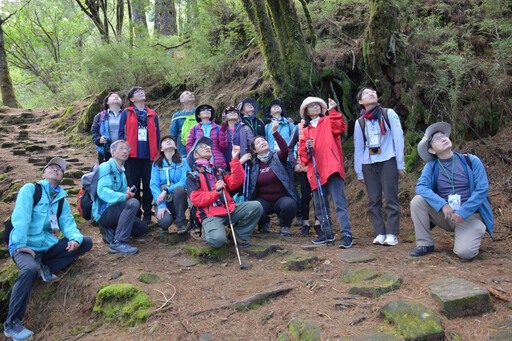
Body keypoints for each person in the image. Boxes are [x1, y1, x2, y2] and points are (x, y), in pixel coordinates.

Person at [4, 157, 92, 341]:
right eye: (51, 167)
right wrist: (21, 244)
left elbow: (67, 224)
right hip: (24, 244)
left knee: (86, 242)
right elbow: (20, 217)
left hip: (46, 246)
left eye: (59, 169)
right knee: (29, 269)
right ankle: (12, 323)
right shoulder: (31, 190)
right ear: (43, 173)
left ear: (62, 176)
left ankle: (47, 267)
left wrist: (75, 239)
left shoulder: (60, 199)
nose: (55, 169)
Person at [409, 122, 494, 261]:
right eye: (437, 139)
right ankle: (425, 244)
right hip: (446, 215)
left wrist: (464, 211)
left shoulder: (471, 160)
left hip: (470, 215)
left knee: (465, 253)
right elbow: (421, 187)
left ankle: (473, 231)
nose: (443, 138)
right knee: (418, 201)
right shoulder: (432, 166)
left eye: (444, 136)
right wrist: (442, 204)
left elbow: (482, 189)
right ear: (431, 150)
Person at [186, 136, 263, 248]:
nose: (207, 147)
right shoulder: (193, 175)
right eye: (202, 147)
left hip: (228, 209)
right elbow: (196, 199)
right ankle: (207, 231)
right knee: (218, 241)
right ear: (195, 154)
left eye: (208, 146)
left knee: (256, 206)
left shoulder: (218, 171)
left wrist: (235, 159)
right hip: (209, 214)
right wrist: (216, 192)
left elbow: (235, 182)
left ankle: (237, 235)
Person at [298, 97, 353, 248]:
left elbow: (339, 128)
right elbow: (303, 158)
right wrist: (307, 149)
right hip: (315, 171)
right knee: (320, 205)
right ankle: (327, 234)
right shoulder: (306, 131)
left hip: (332, 167)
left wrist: (333, 110)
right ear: (306, 112)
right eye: (311, 106)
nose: (315, 108)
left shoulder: (328, 120)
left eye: (317, 105)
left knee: (339, 203)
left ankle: (346, 235)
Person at [354, 87, 405, 246]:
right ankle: (379, 233)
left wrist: (400, 163)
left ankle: (392, 233)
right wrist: (359, 172)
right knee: (374, 199)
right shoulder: (360, 122)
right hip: (368, 163)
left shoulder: (388, 114)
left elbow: (398, 138)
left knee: (391, 197)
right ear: (361, 102)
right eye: (366, 93)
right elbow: (359, 147)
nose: (372, 94)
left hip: (388, 158)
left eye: (374, 92)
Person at [93, 140, 149, 255]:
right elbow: (102, 191)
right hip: (104, 212)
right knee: (133, 203)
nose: (125, 151)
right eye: (121, 149)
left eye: (127, 149)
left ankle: (110, 231)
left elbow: (123, 195)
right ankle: (118, 242)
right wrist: (124, 196)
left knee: (142, 228)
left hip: (116, 210)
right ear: (112, 153)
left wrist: (126, 193)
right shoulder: (105, 167)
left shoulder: (121, 171)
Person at [247, 120, 298, 236]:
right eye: (258, 143)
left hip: (281, 198)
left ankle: (285, 226)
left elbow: (285, 149)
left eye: (263, 141)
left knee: (290, 204)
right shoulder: (253, 164)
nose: (262, 143)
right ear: (254, 150)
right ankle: (264, 223)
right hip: (263, 200)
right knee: (254, 207)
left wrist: (275, 132)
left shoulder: (277, 157)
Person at [118, 86, 160, 223]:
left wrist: (157, 153)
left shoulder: (152, 115)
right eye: (137, 92)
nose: (141, 92)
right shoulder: (126, 113)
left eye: (142, 91)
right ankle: (136, 214)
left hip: (149, 156)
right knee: (134, 184)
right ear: (131, 99)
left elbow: (158, 135)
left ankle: (148, 213)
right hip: (132, 156)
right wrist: (122, 151)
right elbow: (120, 134)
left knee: (148, 184)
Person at [150, 135, 190, 235]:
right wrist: (161, 205)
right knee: (164, 222)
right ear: (161, 149)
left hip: (178, 199)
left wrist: (167, 190)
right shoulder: (156, 165)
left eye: (171, 140)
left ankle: (181, 223)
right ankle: (165, 221)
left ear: (176, 146)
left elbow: (184, 181)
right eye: (165, 141)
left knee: (179, 189)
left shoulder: (183, 162)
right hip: (163, 201)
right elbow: (153, 185)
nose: (168, 141)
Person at [289, 118, 321, 237]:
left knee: (318, 194)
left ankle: (319, 222)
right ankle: (305, 223)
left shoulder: (321, 124)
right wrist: (294, 163)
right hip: (303, 167)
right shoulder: (298, 128)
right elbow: (290, 147)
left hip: (319, 166)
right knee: (306, 195)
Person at [185, 104, 227, 170]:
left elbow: (223, 146)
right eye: (203, 109)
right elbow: (189, 145)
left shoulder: (218, 128)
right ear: (198, 115)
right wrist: (196, 156)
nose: (206, 111)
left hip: (217, 161)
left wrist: (223, 131)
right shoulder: (194, 129)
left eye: (208, 109)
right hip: (200, 163)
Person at [91, 92, 124, 164]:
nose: (116, 97)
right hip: (106, 150)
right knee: (107, 173)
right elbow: (94, 131)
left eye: (118, 96)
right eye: (113, 96)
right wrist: (99, 140)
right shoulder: (100, 116)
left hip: (124, 151)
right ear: (107, 102)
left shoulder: (127, 115)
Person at [169, 90, 197, 157]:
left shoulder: (200, 113)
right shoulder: (177, 116)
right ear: (181, 100)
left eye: (191, 93)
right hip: (182, 151)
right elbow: (173, 135)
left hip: (199, 150)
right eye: (187, 93)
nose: (190, 94)